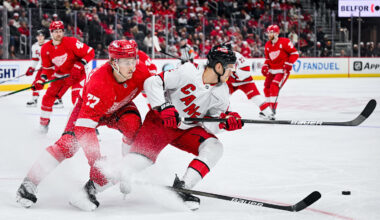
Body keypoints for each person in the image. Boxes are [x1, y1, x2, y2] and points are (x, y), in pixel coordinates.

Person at [16, 40, 153, 210]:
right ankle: (29, 183)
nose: (132, 67)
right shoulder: (99, 84)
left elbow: (156, 92)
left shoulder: (142, 70)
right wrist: (96, 164)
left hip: (119, 107)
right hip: (88, 108)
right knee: (67, 145)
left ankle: (123, 171)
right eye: (126, 63)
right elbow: (84, 129)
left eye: (134, 61)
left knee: (133, 128)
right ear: (113, 62)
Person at [114, 44, 243, 211]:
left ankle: (183, 187)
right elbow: (152, 83)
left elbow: (211, 122)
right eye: (230, 68)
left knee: (214, 147)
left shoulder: (222, 92)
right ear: (218, 66)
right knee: (132, 167)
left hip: (187, 130)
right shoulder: (188, 71)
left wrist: (226, 121)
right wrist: (164, 107)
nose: (232, 72)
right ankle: (90, 189)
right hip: (161, 124)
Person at [33, 21, 95, 133]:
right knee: (47, 98)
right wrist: (41, 79)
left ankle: (89, 127)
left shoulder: (71, 42)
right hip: (61, 77)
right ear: (51, 33)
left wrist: (80, 64)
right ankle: (43, 125)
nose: (58, 34)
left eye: (60, 31)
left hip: (77, 76)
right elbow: (47, 69)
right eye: (56, 31)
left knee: (78, 100)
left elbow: (90, 52)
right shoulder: (45, 48)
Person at [261, 25, 299, 116]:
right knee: (266, 87)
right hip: (272, 70)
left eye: (271, 32)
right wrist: (265, 65)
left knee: (274, 86)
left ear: (276, 33)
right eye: (268, 32)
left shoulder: (285, 42)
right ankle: (267, 109)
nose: (269, 34)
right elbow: (267, 58)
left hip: (282, 71)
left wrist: (289, 64)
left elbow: (295, 53)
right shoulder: (268, 44)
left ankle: (272, 109)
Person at [227, 49, 274, 120]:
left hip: (245, 81)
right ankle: (220, 112)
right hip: (233, 81)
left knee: (256, 97)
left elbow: (243, 72)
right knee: (223, 95)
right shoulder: (231, 55)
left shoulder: (237, 59)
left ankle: (268, 113)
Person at [25, 30, 63, 108]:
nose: (40, 37)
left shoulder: (50, 43)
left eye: (41, 36)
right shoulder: (34, 46)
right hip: (44, 67)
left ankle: (57, 100)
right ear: (36, 37)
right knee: (37, 81)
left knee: (53, 84)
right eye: (38, 36)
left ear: (44, 37)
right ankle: (34, 99)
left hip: (54, 67)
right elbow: (35, 60)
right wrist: (31, 68)